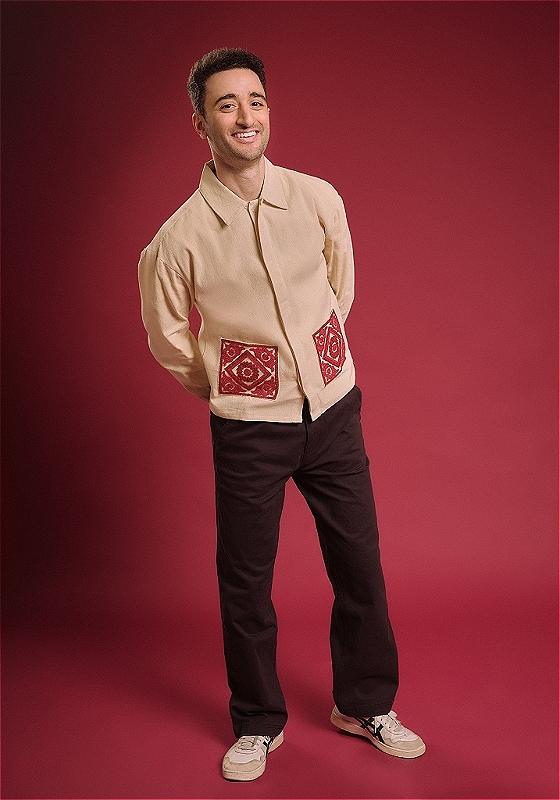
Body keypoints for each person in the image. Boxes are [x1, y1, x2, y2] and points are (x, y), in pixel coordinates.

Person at [137, 47, 426, 782]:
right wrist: (238, 387)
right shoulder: (176, 241)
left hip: (334, 413)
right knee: (246, 581)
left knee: (360, 565)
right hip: (248, 431)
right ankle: (257, 722)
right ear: (200, 120)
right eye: (227, 103)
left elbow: (340, 285)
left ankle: (364, 704)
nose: (245, 115)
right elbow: (170, 338)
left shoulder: (319, 197)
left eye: (256, 100)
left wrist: (310, 366)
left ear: (269, 111)